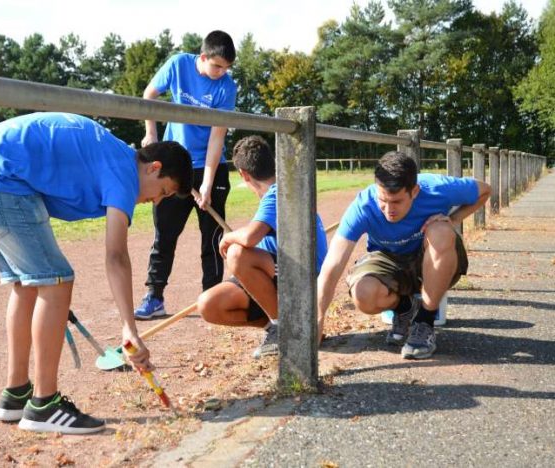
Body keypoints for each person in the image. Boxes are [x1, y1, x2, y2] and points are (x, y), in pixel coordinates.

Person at [0, 112, 193, 434]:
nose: (155, 201)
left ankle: (16, 394)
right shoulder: (124, 173)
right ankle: (44, 405)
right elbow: (116, 256)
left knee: (27, 285)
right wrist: (129, 330)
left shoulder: (115, 156)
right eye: (162, 192)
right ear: (154, 167)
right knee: (57, 281)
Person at [317, 151, 491, 359]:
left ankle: (425, 321)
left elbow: (485, 190)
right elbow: (333, 263)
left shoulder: (437, 188)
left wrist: (453, 220)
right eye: (383, 200)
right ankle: (405, 307)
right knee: (363, 294)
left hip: (428, 255)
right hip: (388, 259)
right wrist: (317, 319)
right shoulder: (363, 206)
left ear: (415, 191)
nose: (388, 209)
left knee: (441, 231)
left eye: (397, 202)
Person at [135, 30, 238, 320]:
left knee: (212, 236)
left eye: (226, 68)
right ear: (202, 57)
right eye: (217, 66)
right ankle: (154, 297)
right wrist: (151, 134)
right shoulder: (178, 64)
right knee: (164, 234)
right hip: (174, 164)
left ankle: (213, 297)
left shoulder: (227, 88)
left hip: (210, 166)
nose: (221, 73)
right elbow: (149, 96)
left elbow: (217, 137)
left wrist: (206, 182)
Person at [196, 136, 328, 358]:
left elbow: (249, 238)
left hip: (302, 280)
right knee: (208, 304)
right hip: (279, 272)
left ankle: (287, 329)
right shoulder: (280, 190)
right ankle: (275, 327)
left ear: (243, 174)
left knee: (237, 254)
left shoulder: (279, 192)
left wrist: (228, 239)